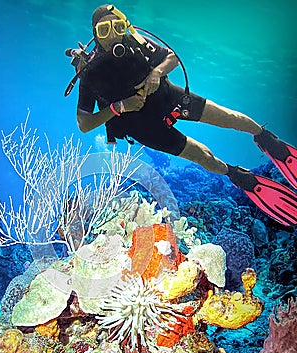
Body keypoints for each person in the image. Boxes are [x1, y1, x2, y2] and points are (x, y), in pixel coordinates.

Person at [74, 4, 297, 226]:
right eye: (105, 30)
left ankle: (265, 137)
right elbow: (84, 123)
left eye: (118, 27)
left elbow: (170, 57)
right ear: (95, 32)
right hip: (142, 127)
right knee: (201, 156)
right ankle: (236, 175)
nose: (113, 35)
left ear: (125, 26)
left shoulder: (137, 42)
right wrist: (120, 106)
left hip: (168, 98)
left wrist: (156, 73)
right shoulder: (90, 73)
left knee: (229, 117)